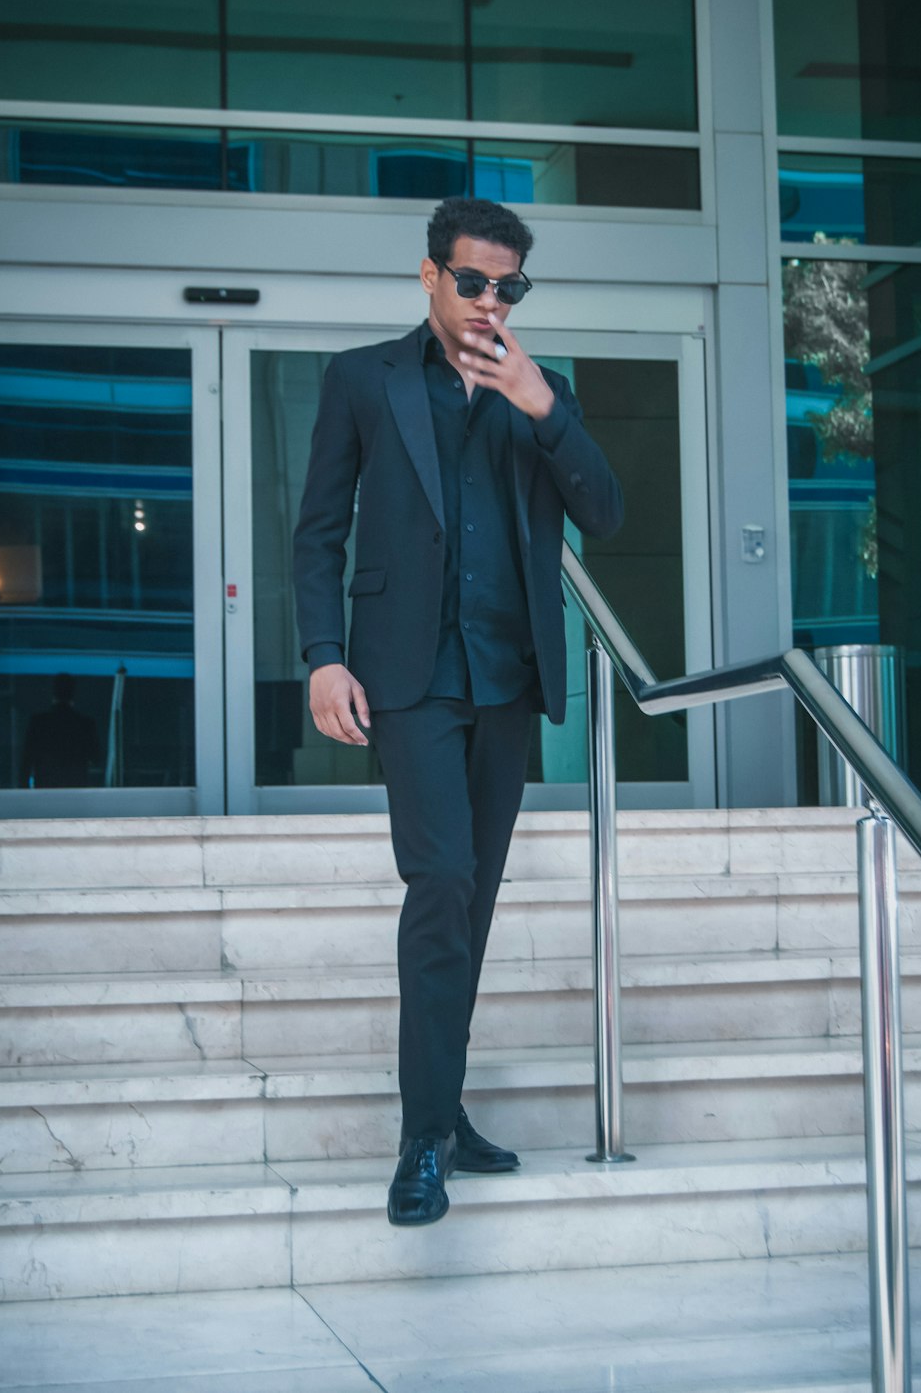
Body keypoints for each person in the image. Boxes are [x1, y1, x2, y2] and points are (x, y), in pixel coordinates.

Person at [293, 196, 623, 1226]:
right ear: (429, 276)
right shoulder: (362, 379)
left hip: (508, 680)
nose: (489, 300)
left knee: (471, 903)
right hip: (407, 680)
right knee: (439, 884)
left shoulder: (542, 390)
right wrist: (321, 659)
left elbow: (604, 514)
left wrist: (540, 405)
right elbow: (317, 535)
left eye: (508, 287)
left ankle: (447, 1107)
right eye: (472, 280)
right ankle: (421, 1142)